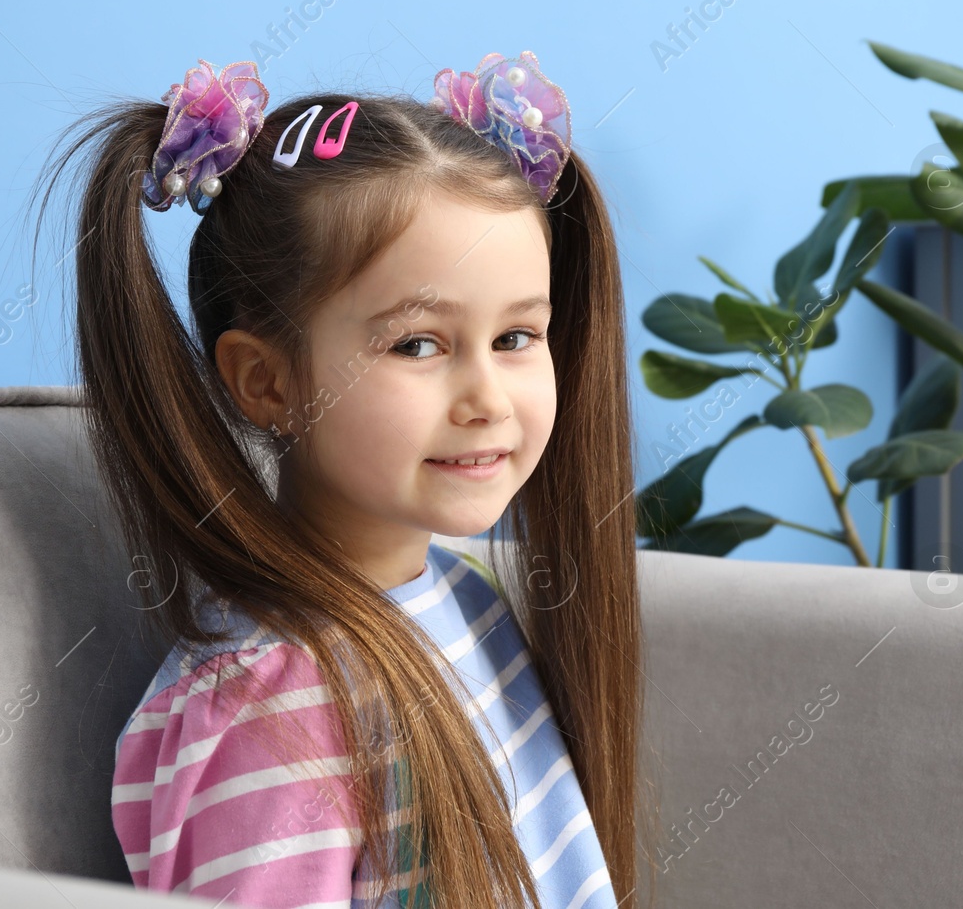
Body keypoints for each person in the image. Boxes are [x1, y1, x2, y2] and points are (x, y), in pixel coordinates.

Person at [34, 54, 644, 908]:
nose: (487, 400)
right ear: (267, 383)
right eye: (419, 345)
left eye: (516, 338)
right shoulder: (272, 701)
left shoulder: (467, 603)